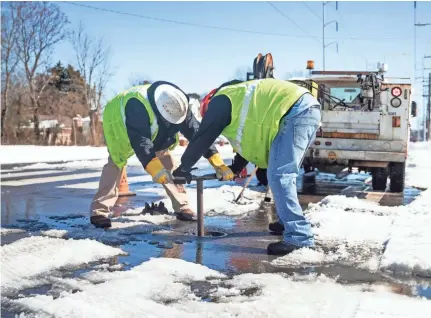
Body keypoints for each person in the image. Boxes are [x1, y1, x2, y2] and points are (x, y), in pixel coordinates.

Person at [172, 78, 321, 256]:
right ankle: (286, 221)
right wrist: (235, 168)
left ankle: (300, 237)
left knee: (281, 175)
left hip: (297, 112)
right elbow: (248, 144)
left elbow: (203, 137)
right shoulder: (241, 101)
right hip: (303, 110)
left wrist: (184, 168)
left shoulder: (221, 101)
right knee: (282, 173)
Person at [90, 81, 229, 228]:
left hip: (156, 132)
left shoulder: (178, 105)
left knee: (167, 160)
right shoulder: (137, 106)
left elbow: (198, 134)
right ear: (163, 113)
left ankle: (182, 207)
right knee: (116, 163)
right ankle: (99, 211)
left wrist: (216, 159)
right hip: (118, 124)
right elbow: (141, 142)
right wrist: (154, 169)